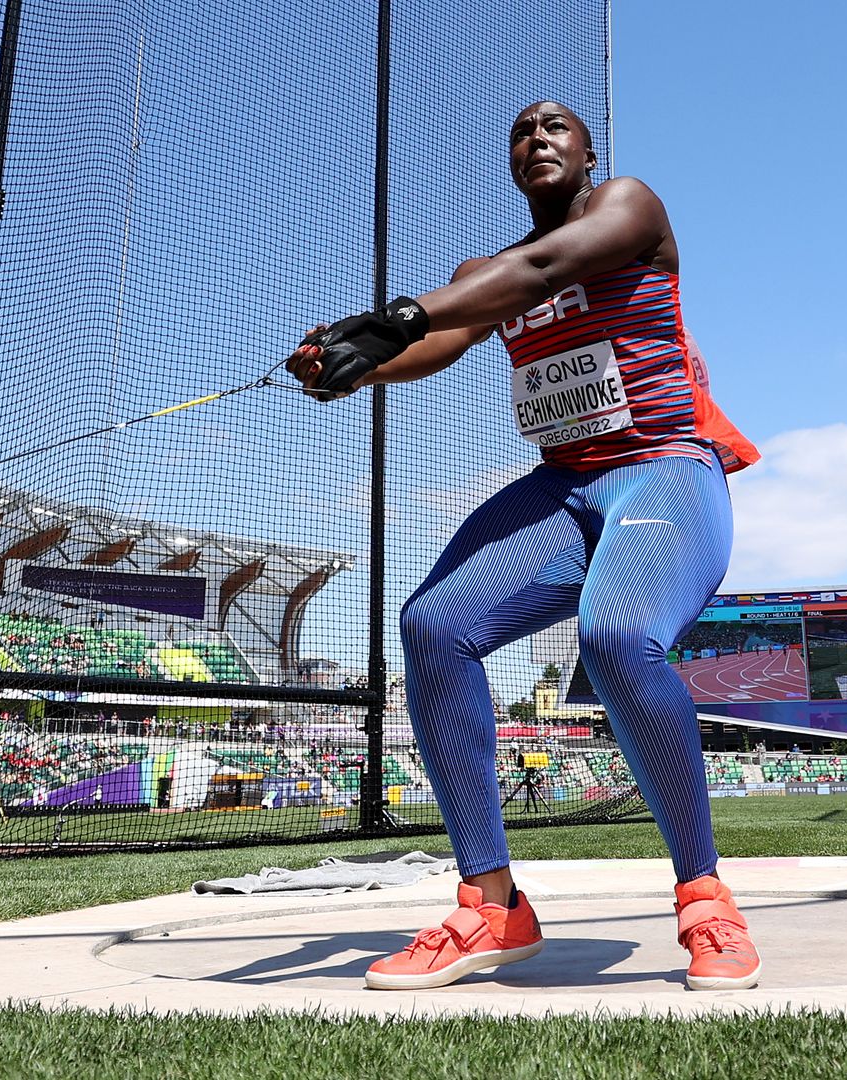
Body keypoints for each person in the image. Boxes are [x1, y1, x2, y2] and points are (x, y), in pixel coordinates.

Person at [288, 101, 762, 991]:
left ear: (589, 154)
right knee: (433, 624)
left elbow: (543, 268)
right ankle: (492, 906)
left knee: (616, 637)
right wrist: (351, 368)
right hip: (565, 487)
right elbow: (446, 337)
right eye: (521, 132)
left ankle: (705, 900)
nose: (538, 139)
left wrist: (392, 315)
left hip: (663, 468)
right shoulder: (484, 272)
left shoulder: (628, 207)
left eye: (557, 128)